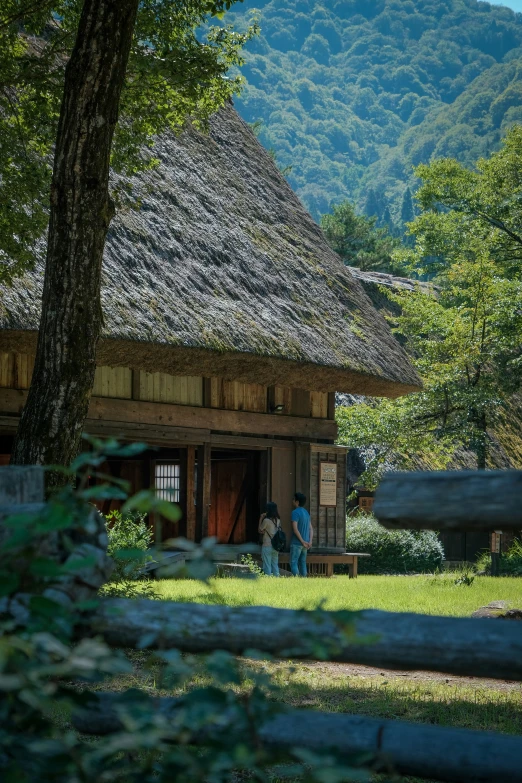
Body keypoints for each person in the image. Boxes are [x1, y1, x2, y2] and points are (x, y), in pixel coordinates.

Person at [290, 492, 312, 577]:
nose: (292, 501)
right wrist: (309, 541)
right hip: (306, 543)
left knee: (293, 562)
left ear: (297, 502)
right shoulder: (306, 513)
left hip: (297, 542)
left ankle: (296, 580)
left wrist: (302, 541)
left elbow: (295, 529)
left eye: (293, 499)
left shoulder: (295, 512)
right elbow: (311, 528)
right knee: (303, 562)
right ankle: (304, 579)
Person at [258, 501, 281, 576]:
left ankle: (268, 580)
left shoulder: (266, 521)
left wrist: (261, 518)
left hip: (267, 545)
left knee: (267, 565)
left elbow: (260, 530)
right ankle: (276, 579)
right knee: (275, 564)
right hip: (275, 546)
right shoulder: (278, 520)